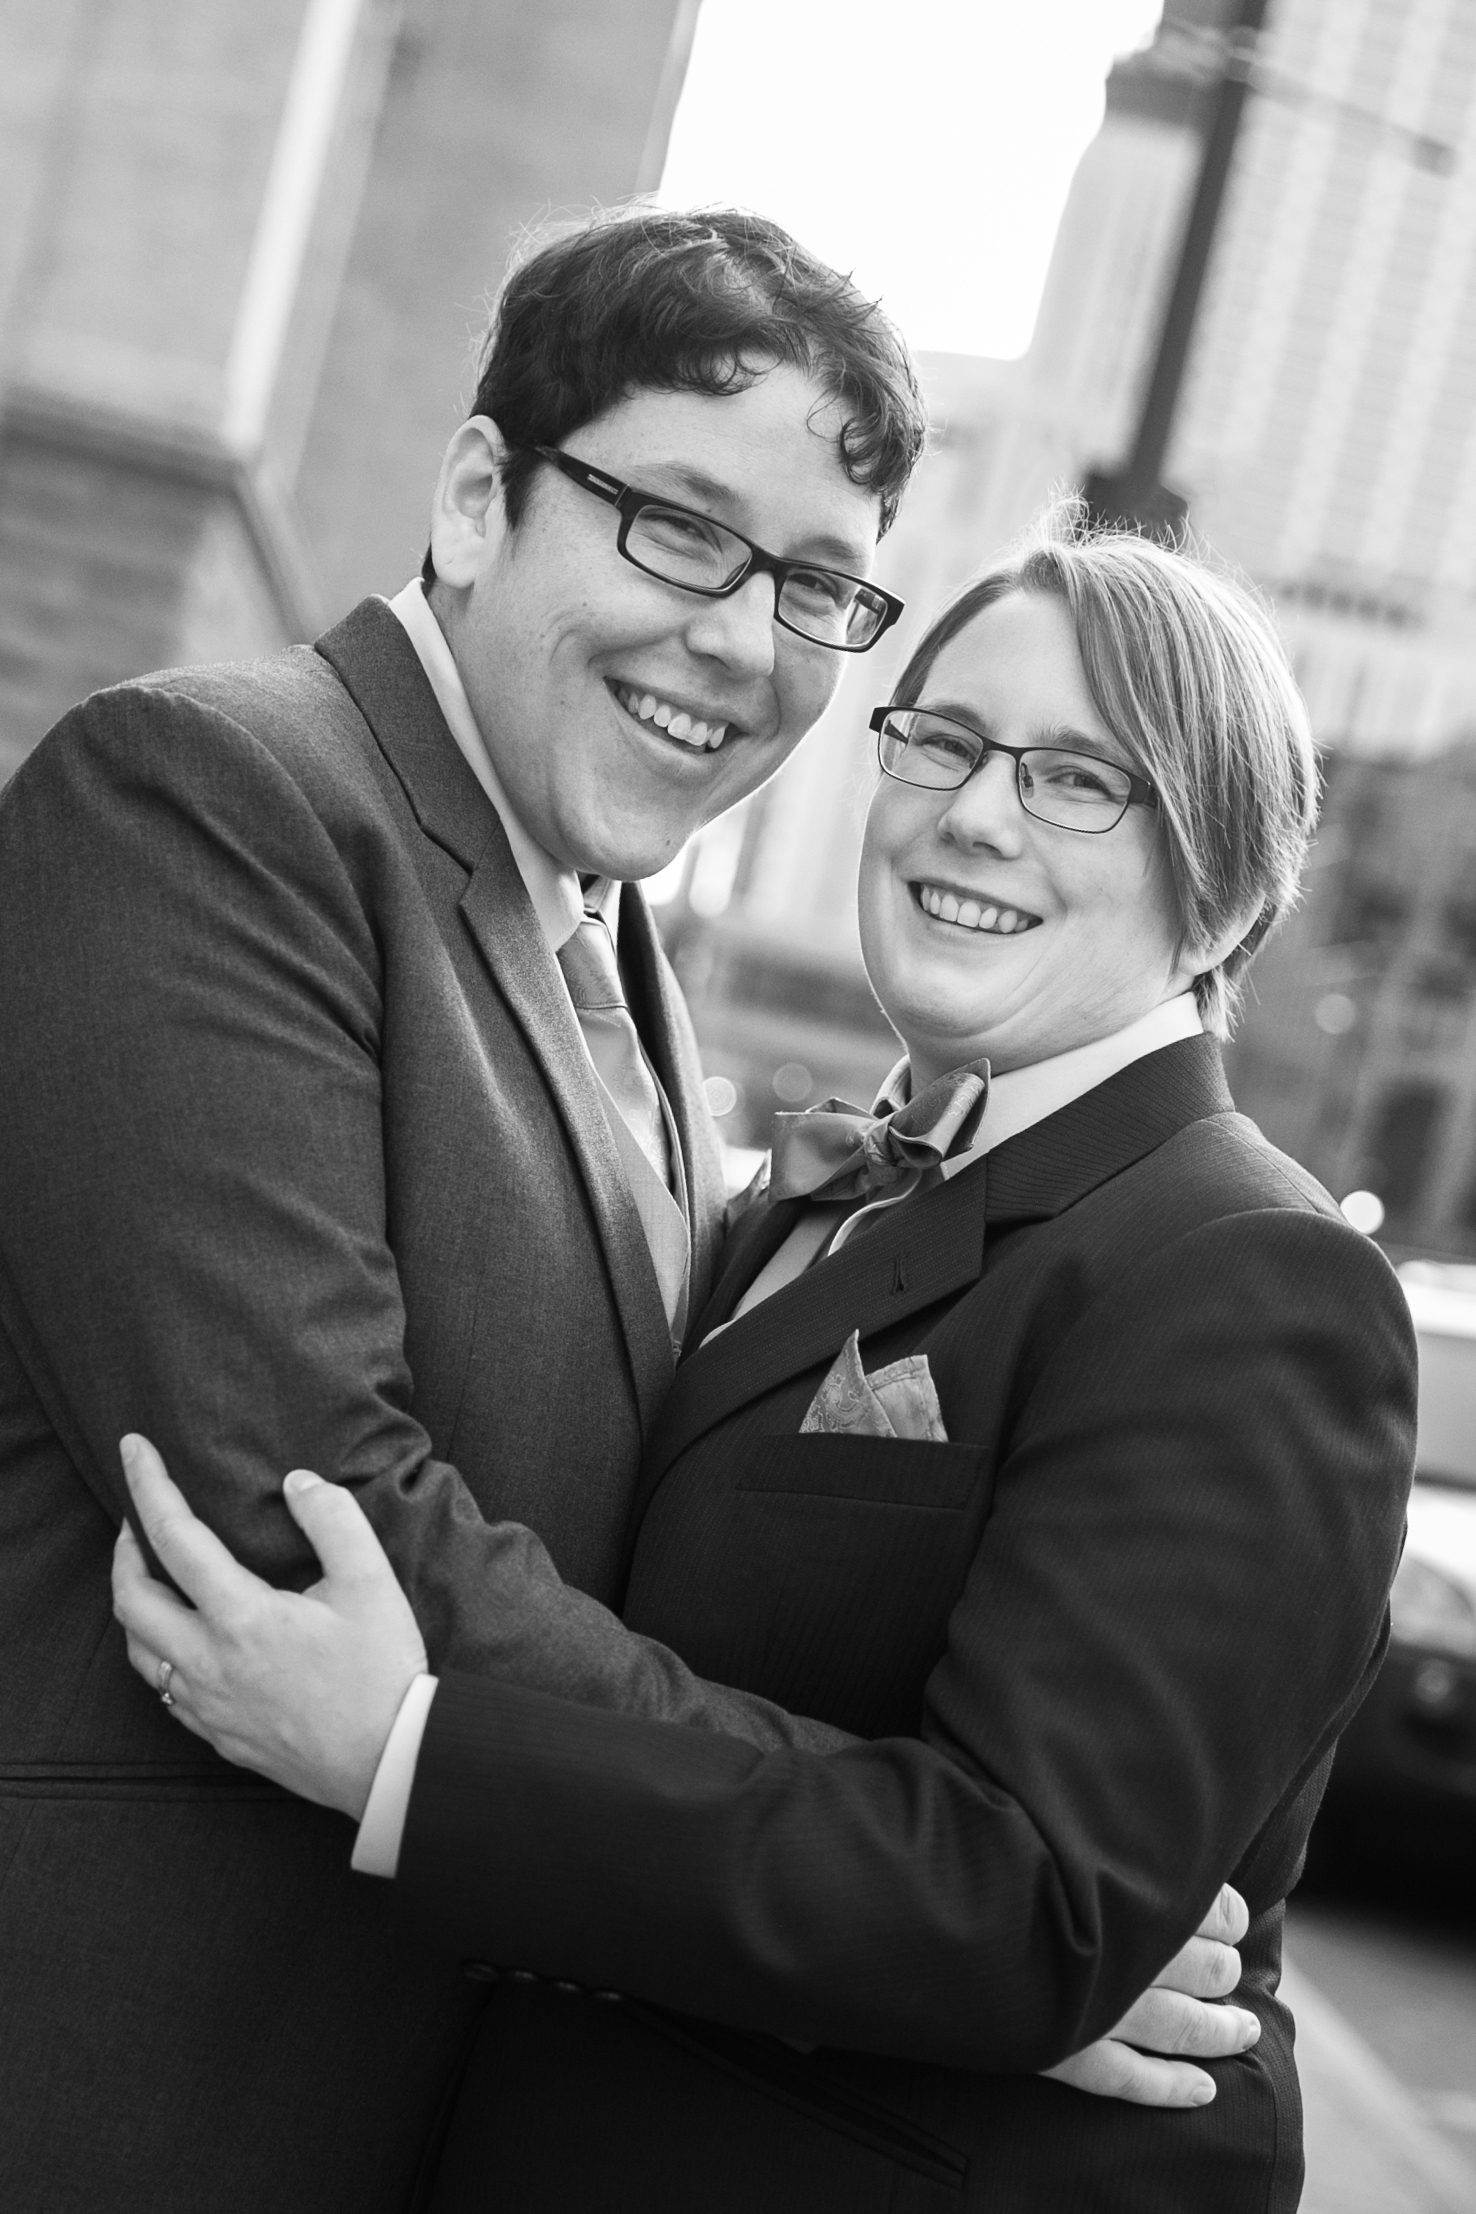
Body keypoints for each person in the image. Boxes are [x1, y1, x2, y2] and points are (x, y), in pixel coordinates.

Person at [112, 511, 1418, 2212]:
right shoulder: (844, 1190)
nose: (976, 811)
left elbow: (1027, 1904)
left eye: (1078, 779)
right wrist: (959, 1973)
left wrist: (414, 1758)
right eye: (944, 740)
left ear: (1222, 872)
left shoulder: (1247, 1270)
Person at [0, 207, 929, 2214]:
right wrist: (928, 1903)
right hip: (126, 2088)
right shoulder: (208, 798)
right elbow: (313, 1504)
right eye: (679, 528)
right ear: (481, 494)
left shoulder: (620, 948)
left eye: (816, 584)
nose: (743, 640)